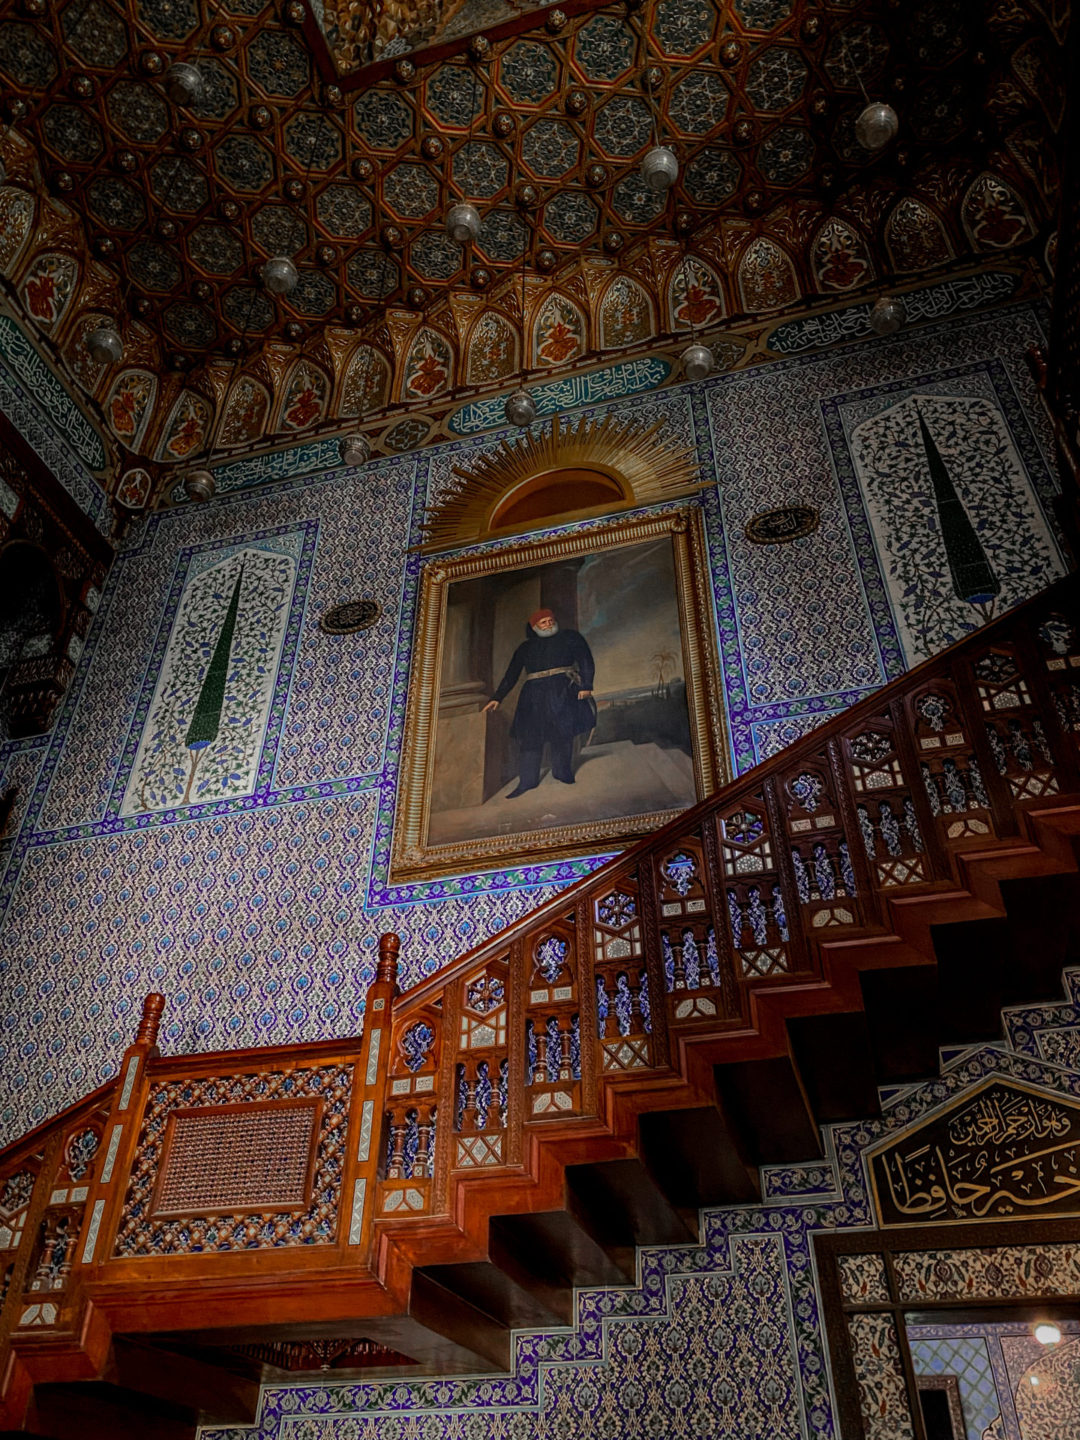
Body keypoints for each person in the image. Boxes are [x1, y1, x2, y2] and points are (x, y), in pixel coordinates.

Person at [482, 609, 595, 797]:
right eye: (543, 622)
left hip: (562, 691)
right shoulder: (525, 648)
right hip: (533, 697)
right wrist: (497, 697)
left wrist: (587, 684)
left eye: (551, 620)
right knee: (530, 738)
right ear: (534, 627)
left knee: (562, 733)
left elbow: (586, 660)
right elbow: (511, 675)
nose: (549, 624)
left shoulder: (570, 638)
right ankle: (527, 782)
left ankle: (563, 773)